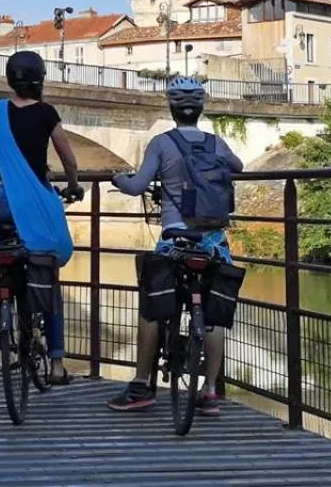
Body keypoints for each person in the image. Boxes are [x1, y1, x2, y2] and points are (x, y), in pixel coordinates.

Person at [106, 76, 243, 417]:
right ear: (200, 109)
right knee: (212, 316)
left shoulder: (162, 143)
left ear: (171, 108)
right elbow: (238, 167)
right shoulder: (216, 142)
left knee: (152, 308)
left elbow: (137, 186)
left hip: (175, 240)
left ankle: (140, 385)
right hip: (213, 240)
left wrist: (117, 178)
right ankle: (210, 391)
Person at [0, 50, 85, 415]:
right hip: (29, 204)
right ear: (40, 79)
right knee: (46, 274)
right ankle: (58, 364)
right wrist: (74, 186)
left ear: (10, 79)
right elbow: (69, 160)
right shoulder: (47, 114)